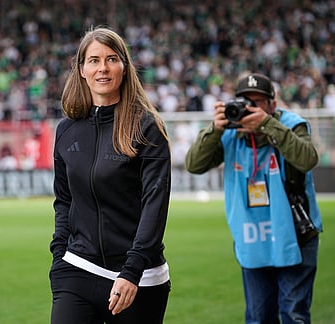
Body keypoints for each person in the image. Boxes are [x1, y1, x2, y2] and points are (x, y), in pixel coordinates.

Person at [49, 26, 172, 324]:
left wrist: (132, 270)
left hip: (138, 278)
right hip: (77, 268)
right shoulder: (66, 130)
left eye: (111, 59)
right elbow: (64, 201)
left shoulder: (146, 127)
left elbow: (155, 206)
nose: (102, 68)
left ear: (124, 67)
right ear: (81, 70)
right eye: (93, 60)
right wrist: (58, 254)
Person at [185, 72, 323, 323]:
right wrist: (214, 129)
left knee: (294, 315)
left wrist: (267, 125)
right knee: (259, 317)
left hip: (295, 234)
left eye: (257, 101)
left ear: (272, 104)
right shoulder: (229, 131)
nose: (249, 107)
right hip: (253, 237)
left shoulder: (292, 125)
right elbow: (194, 164)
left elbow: (307, 159)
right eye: (245, 101)